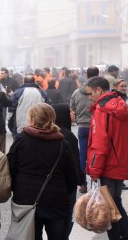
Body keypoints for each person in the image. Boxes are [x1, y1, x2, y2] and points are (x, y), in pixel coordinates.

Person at [7, 103, 79, 240]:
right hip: (56, 200)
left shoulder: (21, 140)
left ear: (32, 120)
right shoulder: (62, 143)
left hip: (26, 199)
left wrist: (17, 187)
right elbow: (72, 177)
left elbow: (10, 168)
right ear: (52, 118)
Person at [86, 76, 128, 240]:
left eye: (91, 93)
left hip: (108, 165)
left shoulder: (102, 111)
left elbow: (100, 144)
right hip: (119, 162)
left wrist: (94, 170)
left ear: (99, 90)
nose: (90, 97)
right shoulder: (120, 104)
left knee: (112, 207)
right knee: (115, 203)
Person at [52, 103, 84, 236]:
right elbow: (75, 162)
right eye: (70, 112)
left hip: (51, 183)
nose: (73, 114)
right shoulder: (68, 136)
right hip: (66, 184)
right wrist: (81, 181)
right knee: (66, 218)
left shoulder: (52, 132)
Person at [69, 66, 99, 193]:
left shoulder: (77, 92)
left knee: (82, 156)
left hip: (82, 127)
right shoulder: (100, 90)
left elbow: (72, 108)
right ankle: (96, 184)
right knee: (97, 155)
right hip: (97, 127)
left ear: (86, 75)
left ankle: (82, 184)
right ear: (98, 75)